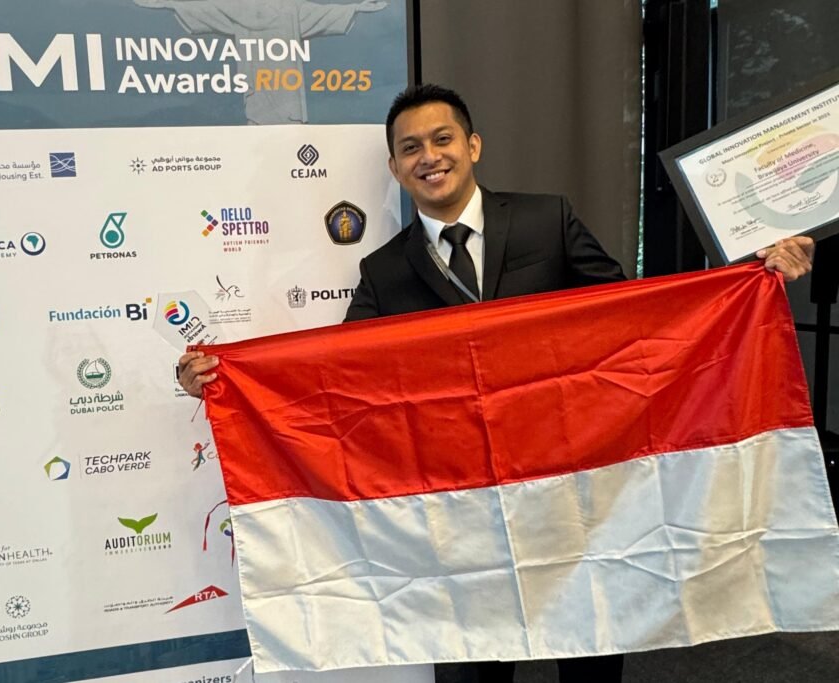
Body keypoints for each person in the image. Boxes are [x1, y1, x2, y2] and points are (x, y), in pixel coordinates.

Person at [177, 84, 815, 682]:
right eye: (410, 148)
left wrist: (747, 279)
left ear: (472, 145)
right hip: (460, 511)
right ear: (396, 168)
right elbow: (331, 376)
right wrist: (225, 379)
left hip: (571, 487)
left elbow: (634, 315)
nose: (429, 157)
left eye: (442, 139)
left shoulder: (546, 220)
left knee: (590, 649)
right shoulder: (384, 270)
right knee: (473, 661)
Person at [133, 0, 388, 124]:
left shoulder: (239, 9)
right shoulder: (289, 10)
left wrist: (167, 3)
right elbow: (327, 14)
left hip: (268, 99)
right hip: (282, 103)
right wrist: (357, 7)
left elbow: (202, 10)